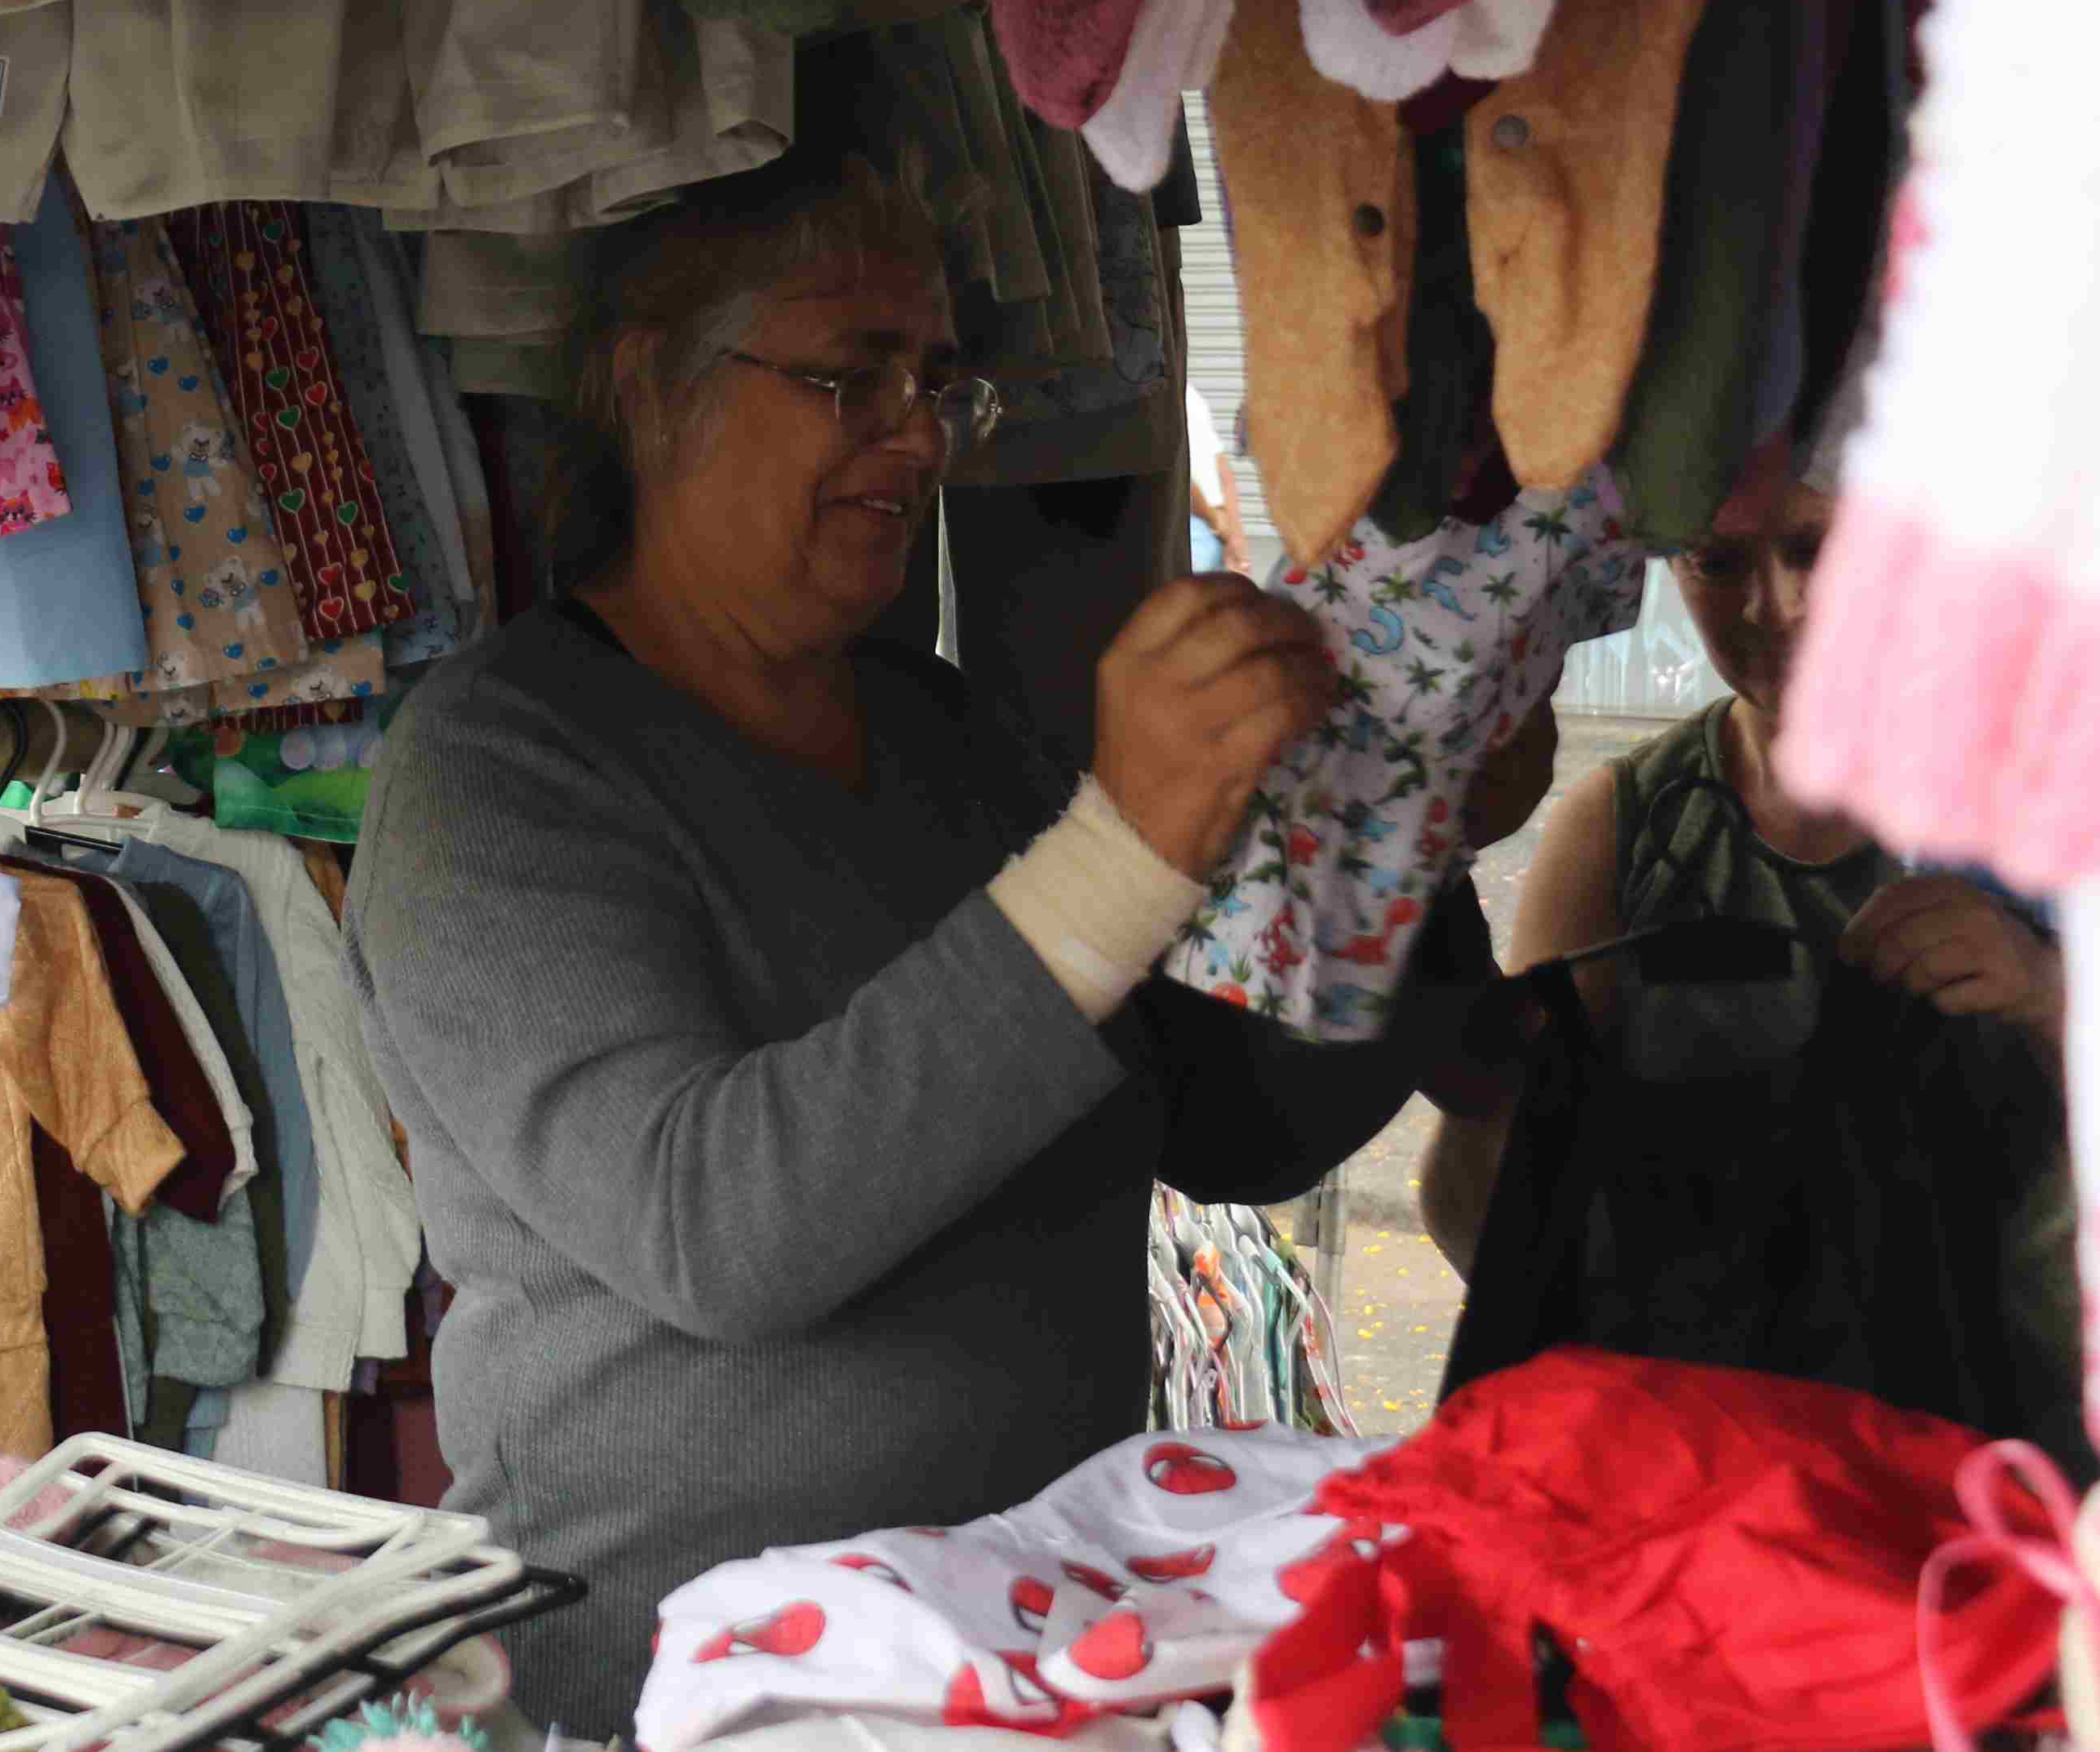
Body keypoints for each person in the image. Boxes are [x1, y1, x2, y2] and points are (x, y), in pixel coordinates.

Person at [347, 156, 1480, 1737]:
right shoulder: (498, 770)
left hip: (1012, 1662)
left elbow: (1228, 1127)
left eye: (939, 381)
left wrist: (1411, 830)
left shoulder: (950, 736)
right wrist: (1124, 847)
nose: (918, 430)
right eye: (847, 374)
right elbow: (714, 1229)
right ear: (645, 382)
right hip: (666, 1694)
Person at [1417, 450, 2071, 1279]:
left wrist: (2048, 994)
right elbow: (1494, 1243)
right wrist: (1487, 1106)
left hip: (2006, 1396)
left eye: (1814, 548)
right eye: (1718, 562)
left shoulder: (2049, 799)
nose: (1773, 605)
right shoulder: (1623, 827)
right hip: (1711, 1398)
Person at [1184, 381, 1250, 576]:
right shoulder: (1162, 394)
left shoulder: (1189, 394)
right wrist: (1222, 526)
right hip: (1196, 526)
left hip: (1212, 530)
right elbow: (1177, 479)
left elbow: (1221, 465)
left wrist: (1235, 535)